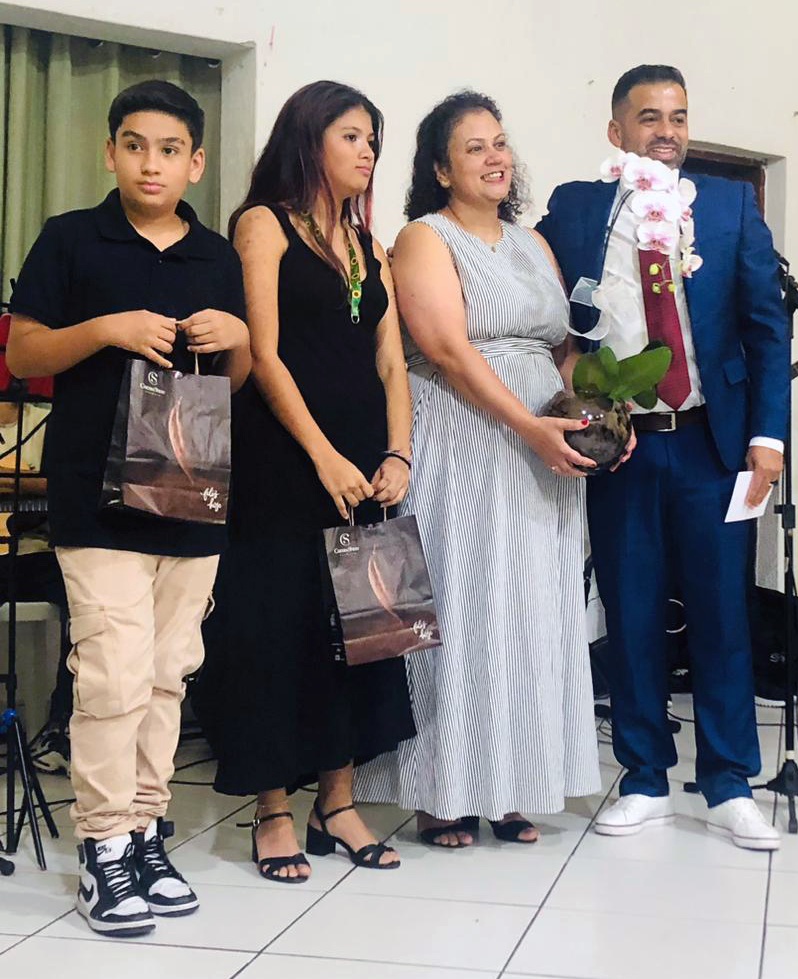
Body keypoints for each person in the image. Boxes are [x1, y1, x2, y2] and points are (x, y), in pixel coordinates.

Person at [6, 79, 251, 935]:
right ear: (110, 151)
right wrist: (107, 329)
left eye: (170, 150)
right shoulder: (70, 237)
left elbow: (234, 383)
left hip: (191, 490)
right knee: (111, 671)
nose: (153, 163)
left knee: (167, 671)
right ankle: (104, 844)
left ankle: (146, 829)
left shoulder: (216, 256)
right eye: (136, 145)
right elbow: (24, 351)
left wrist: (241, 341)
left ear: (196, 162)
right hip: (94, 494)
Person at [537, 65, 789, 849]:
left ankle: (728, 782)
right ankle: (644, 774)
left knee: (723, 615)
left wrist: (768, 437)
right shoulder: (577, 209)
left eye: (678, 116)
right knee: (632, 610)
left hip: (713, 442)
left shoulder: (730, 206)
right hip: (624, 446)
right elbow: (534, 291)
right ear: (617, 131)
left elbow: (766, 329)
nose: (667, 131)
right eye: (649, 117)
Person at [356, 92, 601, 847]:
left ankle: (511, 784)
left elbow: (562, 346)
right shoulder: (425, 237)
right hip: (465, 436)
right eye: (474, 148)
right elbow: (448, 349)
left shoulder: (534, 244)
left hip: (541, 443)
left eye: (500, 143)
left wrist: (589, 418)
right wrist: (527, 424)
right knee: (461, 604)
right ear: (440, 169)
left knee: (529, 607)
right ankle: (443, 792)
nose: (496, 158)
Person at [194, 81, 415, 881]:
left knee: (363, 633)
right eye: (351, 135)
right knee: (276, 629)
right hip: (284, 459)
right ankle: (275, 809)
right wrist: (322, 455)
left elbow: (392, 364)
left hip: (367, 463)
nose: (367, 151)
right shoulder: (264, 223)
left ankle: (338, 800)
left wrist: (398, 455)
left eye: (372, 139)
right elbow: (264, 353)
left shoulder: (371, 245)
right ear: (308, 138)